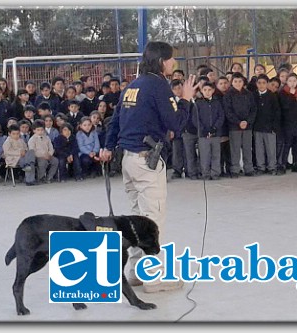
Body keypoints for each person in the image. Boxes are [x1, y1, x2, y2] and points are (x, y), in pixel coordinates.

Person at [101, 41, 196, 293]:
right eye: (171, 59)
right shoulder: (157, 85)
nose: (174, 63)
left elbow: (115, 121)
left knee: (135, 219)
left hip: (128, 160)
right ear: (162, 61)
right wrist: (185, 101)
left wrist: (108, 147)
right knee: (152, 220)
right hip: (146, 161)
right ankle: (153, 278)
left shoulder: (132, 85)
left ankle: (134, 272)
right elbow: (176, 124)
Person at [224, 72, 257, 177]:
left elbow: (253, 109)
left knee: (247, 148)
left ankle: (249, 168)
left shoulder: (248, 94)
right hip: (234, 127)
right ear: (231, 82)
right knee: (235, 149)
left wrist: (247, 121)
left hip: (247, 126)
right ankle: (235, 169)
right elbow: (228, 111)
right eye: (235, 81)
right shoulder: (228, 95)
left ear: (243, 82)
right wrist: (238, 122)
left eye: (240, 81)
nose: (238, 83)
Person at [193, 82, 225, 180]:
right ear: (202, 91)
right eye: (205, 90)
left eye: (209, 90)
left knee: (216, 154)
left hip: (215, 134)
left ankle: (215, 173)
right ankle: (205, 173)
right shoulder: (198, 103)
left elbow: (221, 116)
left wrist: (215, 128)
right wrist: (203, 130)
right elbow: (195, 119)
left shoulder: (217, 102)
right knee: (204, 155)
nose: (207, 92)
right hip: (203, 134)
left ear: (213, 91)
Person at [279, 73, 297, 174]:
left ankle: (296, 163)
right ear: (286, 82)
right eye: (290, 81)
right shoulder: (283, 92)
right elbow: (285, 106)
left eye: (294, 81)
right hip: (288, 122)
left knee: (296, 144)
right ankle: (283, 164)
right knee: (287, 144)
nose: (292, 83)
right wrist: (291, 94)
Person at [252, 74, 280, 175]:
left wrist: (274, 126)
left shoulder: (272, 96)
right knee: (259, 149)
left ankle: (272, 167)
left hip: (270, 127)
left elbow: (277, 112)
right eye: (259, 83)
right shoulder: (253, 95)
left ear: (267, 84)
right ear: (256, 84)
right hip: (257, 127)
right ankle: (261, 167)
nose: (261, 85)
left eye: (264, 83)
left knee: (271, 148)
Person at [169, 80, 185, 179]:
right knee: (177, 150)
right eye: (175, 89)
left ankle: (189, 169)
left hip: (187, 129)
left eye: (179, 88)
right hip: (176, 129)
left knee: (188, 151)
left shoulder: (188, 99)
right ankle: (177, 170)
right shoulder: (170, 102)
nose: (178, 91)